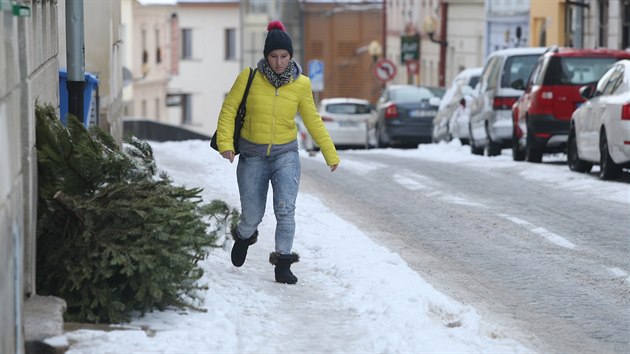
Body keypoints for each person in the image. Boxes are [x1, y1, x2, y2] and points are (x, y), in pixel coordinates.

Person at [215, 20, 340, 284]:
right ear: (266, 56)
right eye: (274, 56)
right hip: (252, 155)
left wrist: (330, 153)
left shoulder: (301, 84)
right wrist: (226, 143)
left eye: (284, 56)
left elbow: (313, 119)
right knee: (252, 215)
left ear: (291, 56)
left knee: (285, 210)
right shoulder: (248, 77)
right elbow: (228, 110)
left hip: (286, 155)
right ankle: (245, 235)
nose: (279, 62)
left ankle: (283, 265)